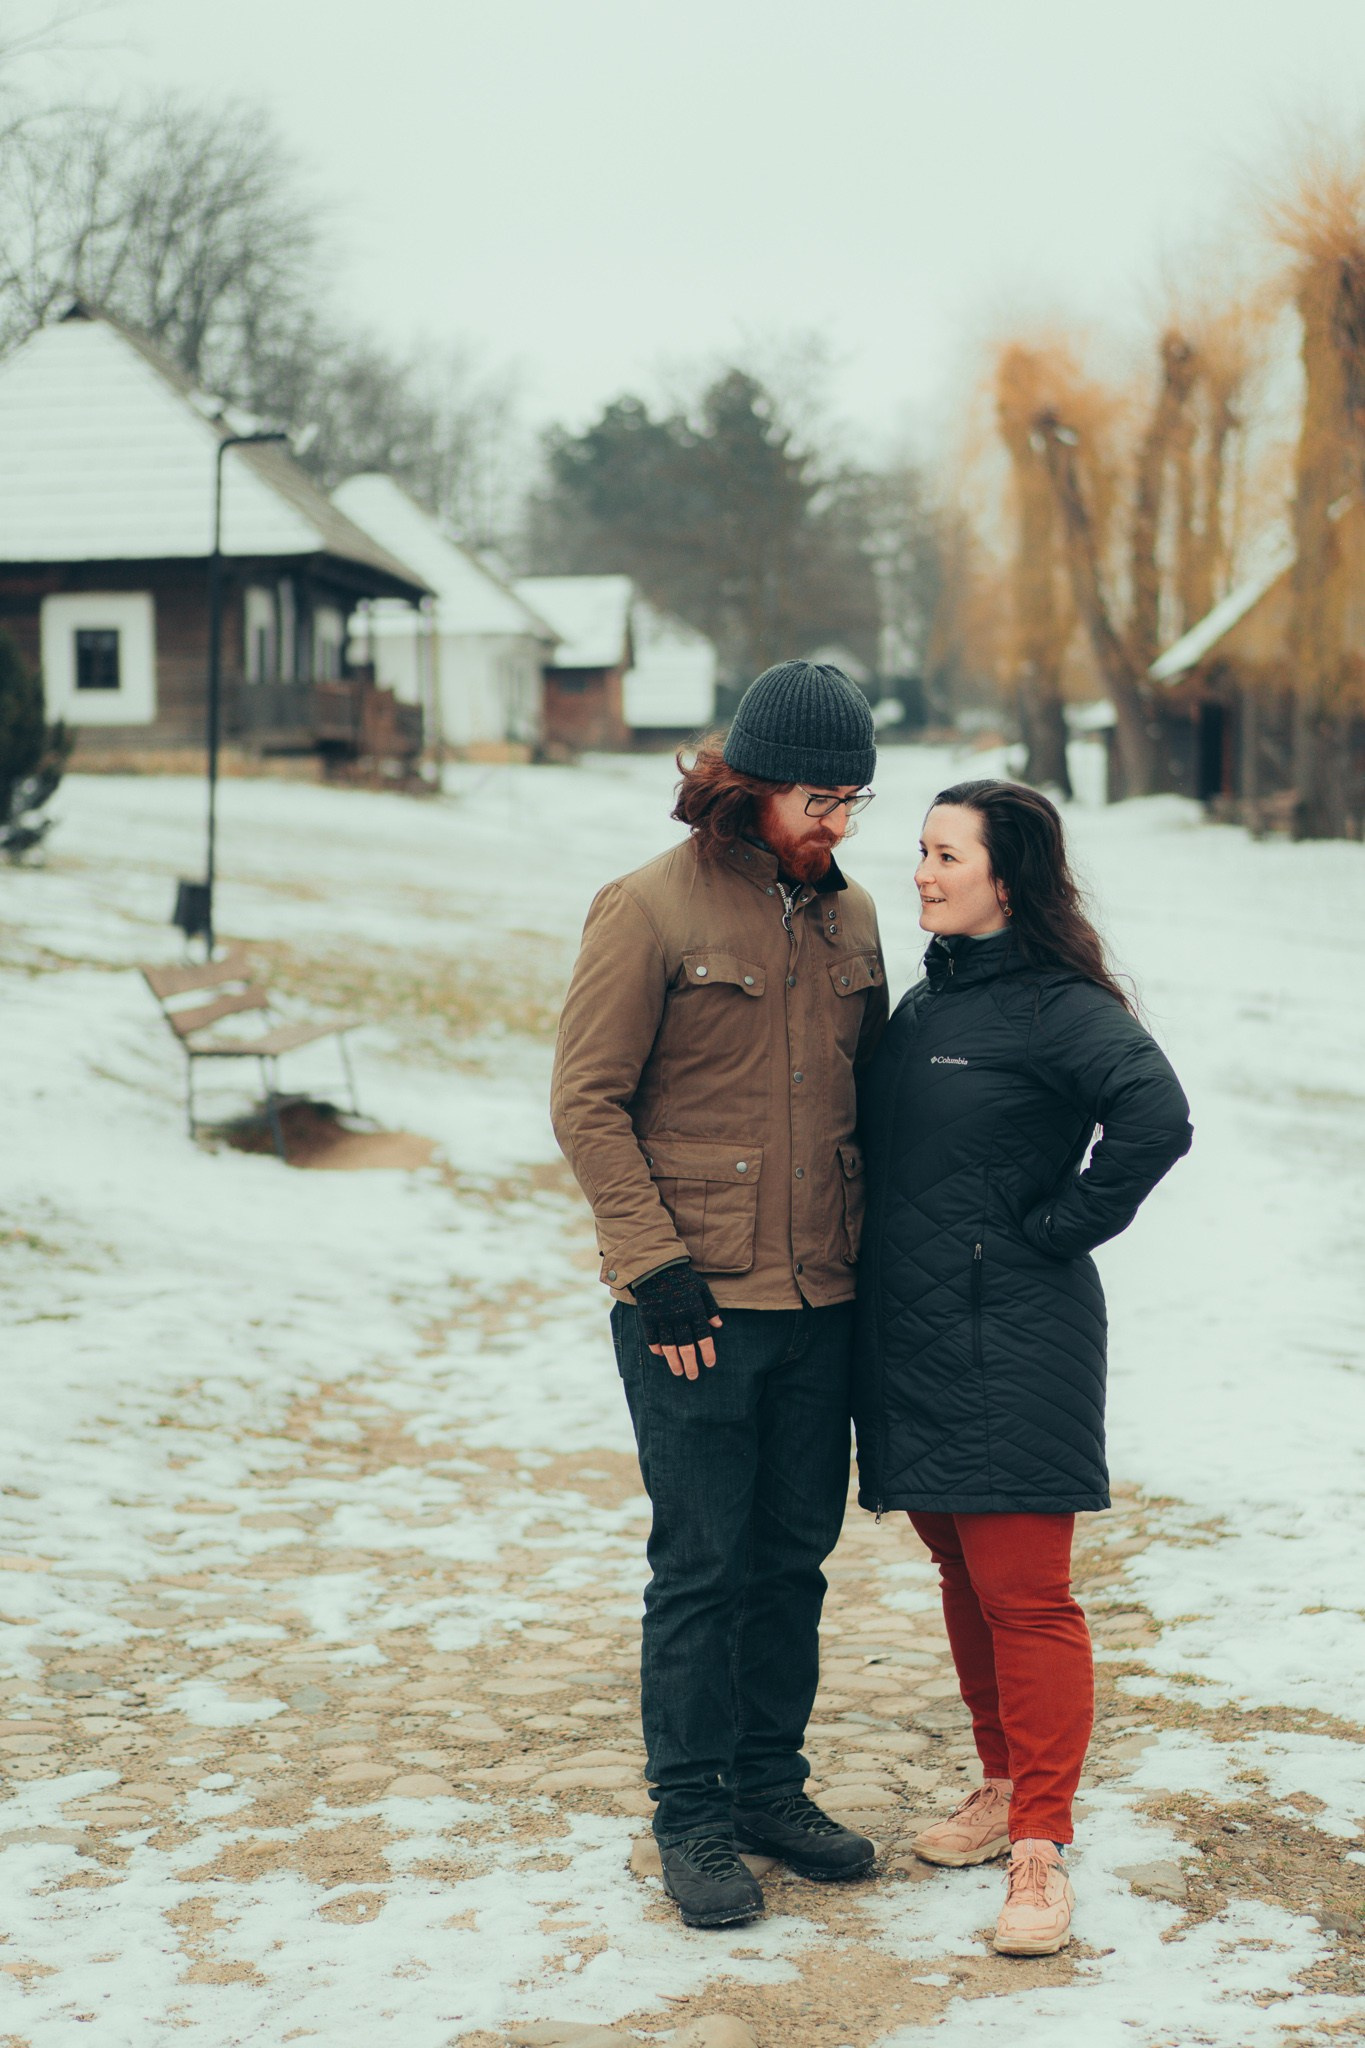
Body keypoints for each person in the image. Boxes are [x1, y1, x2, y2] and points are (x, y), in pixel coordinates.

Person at [552, 660, 888, 1929]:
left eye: (853, 801)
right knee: (702, 1564)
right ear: (751, 786)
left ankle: (768, 1788)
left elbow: (870, 1101)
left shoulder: (854, 918)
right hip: (692, 1307)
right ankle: (690, 1813)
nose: (837, 823)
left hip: (823, 1300)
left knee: (793, 1561)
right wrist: (657, 1271)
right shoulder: (647, 907)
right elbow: (586, 1101)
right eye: (819, 799)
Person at [852, 778, 1192, 1957]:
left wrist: (1056, 1227)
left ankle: (1042, 1841)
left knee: (1027, 1593)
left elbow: (1155, 1114)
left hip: (1015, 1338)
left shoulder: (1058, 1005)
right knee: (962, 1571)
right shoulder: (927, 1001)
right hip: (913, 1340)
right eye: (922, 849)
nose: (923, 872)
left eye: (948, 855)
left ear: (1011, 878)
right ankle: (1002, 1782)